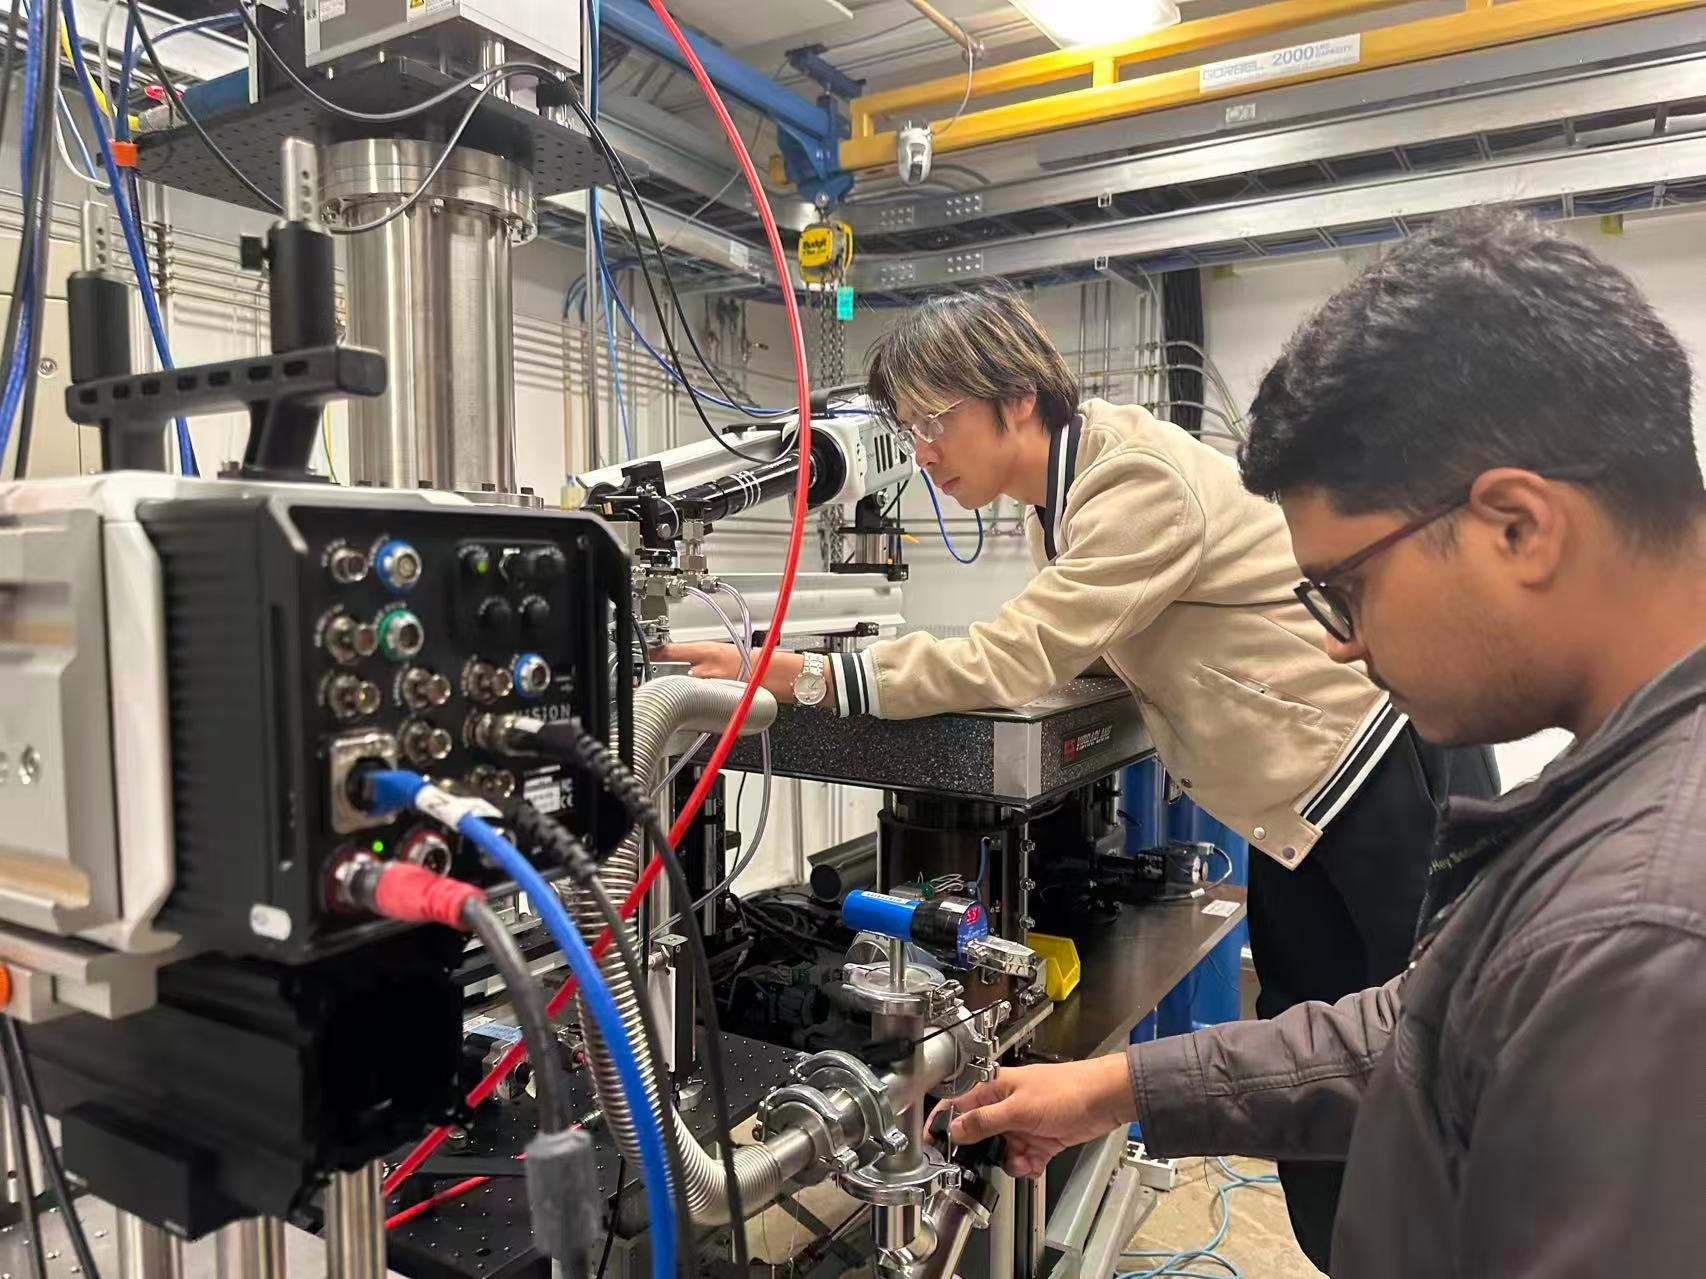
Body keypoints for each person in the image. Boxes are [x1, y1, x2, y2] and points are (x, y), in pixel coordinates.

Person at [658, 288, 1495, 1267]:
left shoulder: (1129, 475)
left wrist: (802, 675)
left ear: (1015, 398)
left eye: (931, 423)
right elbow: (1082, 643)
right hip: (1298, 804)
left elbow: (1021, 650)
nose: (921, 453)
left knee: (1406, 1063)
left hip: (1363, 780)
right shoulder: (1062, 496)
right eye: (906, 430)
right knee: (1313, 1055)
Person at [942, 210, 1706, 1275]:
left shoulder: (1643, 926)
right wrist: (1115, 1089)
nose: (1340, 648)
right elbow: (1425, 1021)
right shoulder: (1614, 795)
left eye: (1343, 589)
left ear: (1516, 529)